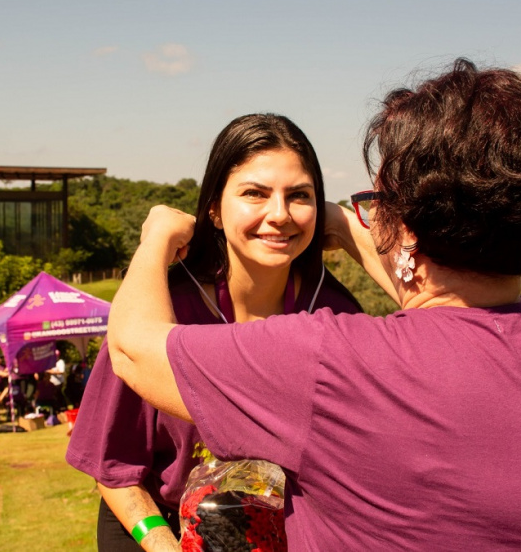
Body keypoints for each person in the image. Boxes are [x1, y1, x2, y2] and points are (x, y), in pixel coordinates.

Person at [106, 59, 521, 550]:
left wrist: (154, 237)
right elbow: (452, 301)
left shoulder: (333, 360)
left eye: (376, 202)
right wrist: (367, 235)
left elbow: (132, 349)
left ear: (405, 225)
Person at [67, 113, 363, 551]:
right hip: (159, 527)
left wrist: (343, 224)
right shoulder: (160, 311)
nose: (279, 215)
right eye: (254, 194)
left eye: (299, 196)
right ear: (214, 210)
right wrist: (164, 544)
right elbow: (115, 468)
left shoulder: (335, 314)